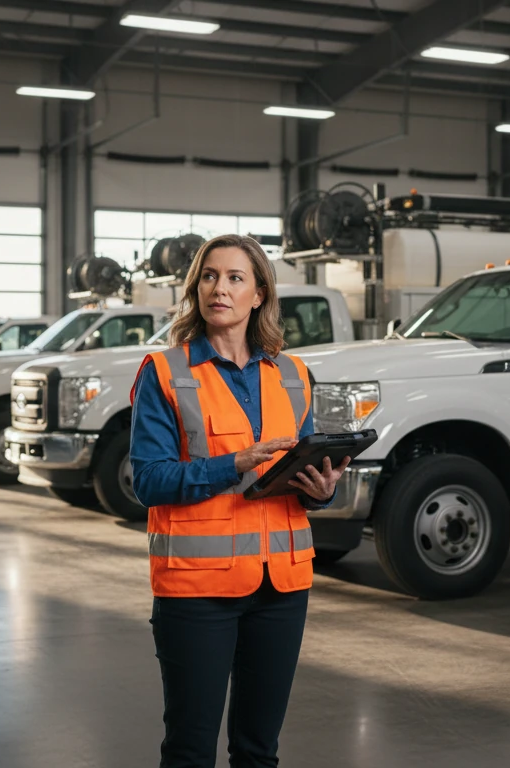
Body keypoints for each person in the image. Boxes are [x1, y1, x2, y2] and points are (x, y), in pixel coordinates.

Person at [129, 234, 350, 768]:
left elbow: (299, 471)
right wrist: (235, 463)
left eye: (234, 278)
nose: (219, 288)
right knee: (189, 750)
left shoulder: (293, 375)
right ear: (194, 289)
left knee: (259, 751)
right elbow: (150, 481)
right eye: (208, 276)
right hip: (196, 589)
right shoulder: (166, 373)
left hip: (281, 587)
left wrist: (322, 492)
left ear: (259, 295)